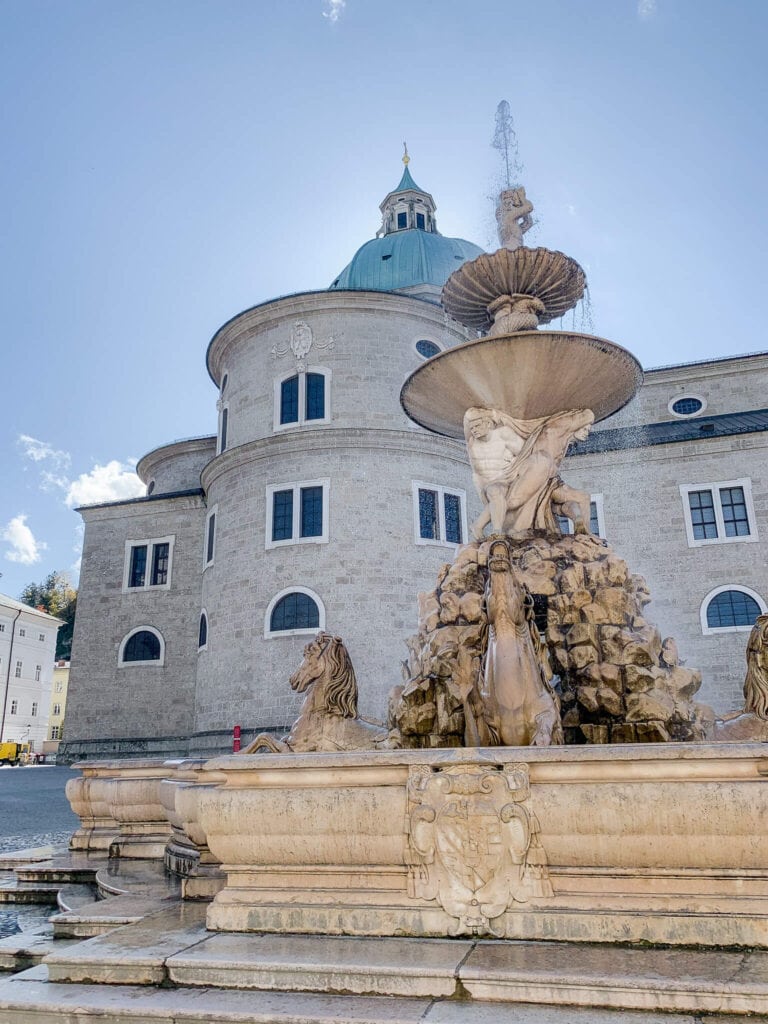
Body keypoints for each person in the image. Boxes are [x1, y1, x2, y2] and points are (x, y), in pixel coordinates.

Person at [464, 406, 594, 537]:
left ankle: (583, 531)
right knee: (510, 500)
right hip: (535, 473)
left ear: (487, 423)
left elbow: (522, 452)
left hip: (548, 480)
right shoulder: (553, 431)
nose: (587, 433)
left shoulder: (560, 440)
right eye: (584, 429)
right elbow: (524, 454)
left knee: (582, 498)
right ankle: (487, 528)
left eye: (588, 430)